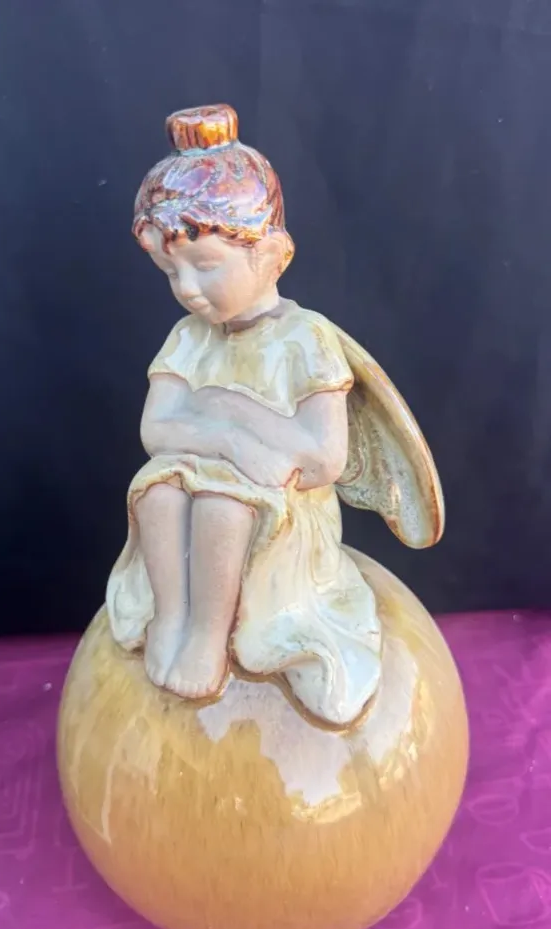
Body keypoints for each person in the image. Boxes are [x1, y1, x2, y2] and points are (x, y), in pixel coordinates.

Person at [106, 104, 443, 727]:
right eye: (170, 271)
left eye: (206, 267)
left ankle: (211, 634)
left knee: (223, 506)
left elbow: (322, 459)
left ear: (273, 256)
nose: (186, 288)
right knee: (156, 495)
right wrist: (232, 435)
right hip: (203, 479)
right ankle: (173, 616)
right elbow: (157, 430)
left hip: (285, 510)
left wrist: (221, 410)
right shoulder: (188, 339)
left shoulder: (305, 341)